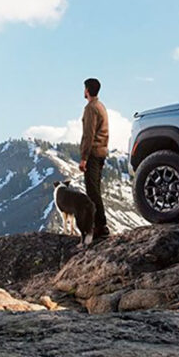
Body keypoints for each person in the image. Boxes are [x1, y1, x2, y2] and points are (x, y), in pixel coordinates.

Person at [80, 78, 110, 240]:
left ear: (87, 90)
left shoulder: (91, 108)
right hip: (102, 152)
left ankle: (100, 226)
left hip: (93, 154)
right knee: (95, 189)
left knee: (92, 191)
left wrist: (84, 158)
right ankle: (100, 224)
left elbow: (88, 134)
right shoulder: (101, 106)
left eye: (84, 88)